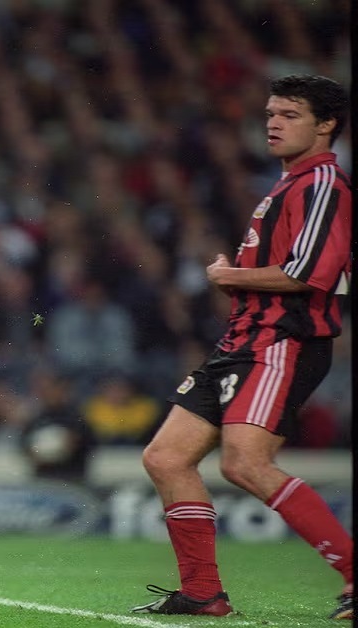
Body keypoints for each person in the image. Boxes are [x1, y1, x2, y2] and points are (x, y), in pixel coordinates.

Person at [131, 75, 352, 620]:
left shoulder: (323, 184)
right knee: (166, 457)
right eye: (271, 114)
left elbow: (309, 274)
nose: (273, 124)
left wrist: (229, 275)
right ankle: (203, 592)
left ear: (326, 125)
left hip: (282, 342)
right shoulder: (287, 183)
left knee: (246, 463)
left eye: (290, 115)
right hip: (242, 341)